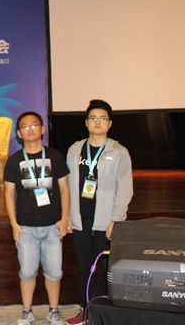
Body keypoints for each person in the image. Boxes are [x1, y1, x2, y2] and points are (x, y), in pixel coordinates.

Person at [64, 100, 133, 325]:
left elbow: (125, 189)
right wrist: (68, 217)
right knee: (85, 269)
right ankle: (86, 311)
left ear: (110, 123)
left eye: (102, 118)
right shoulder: (75, 150)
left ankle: (104, 314)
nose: (97, 122)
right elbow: (67, 186)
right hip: (80, 220)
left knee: (107, 271)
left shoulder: (119, 152)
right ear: (86, 123)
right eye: (93, 118)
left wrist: (116, 220)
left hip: (106, 222)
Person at [4, 111, 70, 325]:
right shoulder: (13, 161)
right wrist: (14, 224)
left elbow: (64, 189)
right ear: (19, 133)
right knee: (27, 272)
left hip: (53, 226)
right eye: (25, 126)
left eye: (34, 125)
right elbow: (9, 194)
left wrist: (64, 219)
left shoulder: (55, 156)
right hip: (25, 227)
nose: (30, 129)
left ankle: (54, 311)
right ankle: (27, 311)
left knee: (54, 272)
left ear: (42, 129)